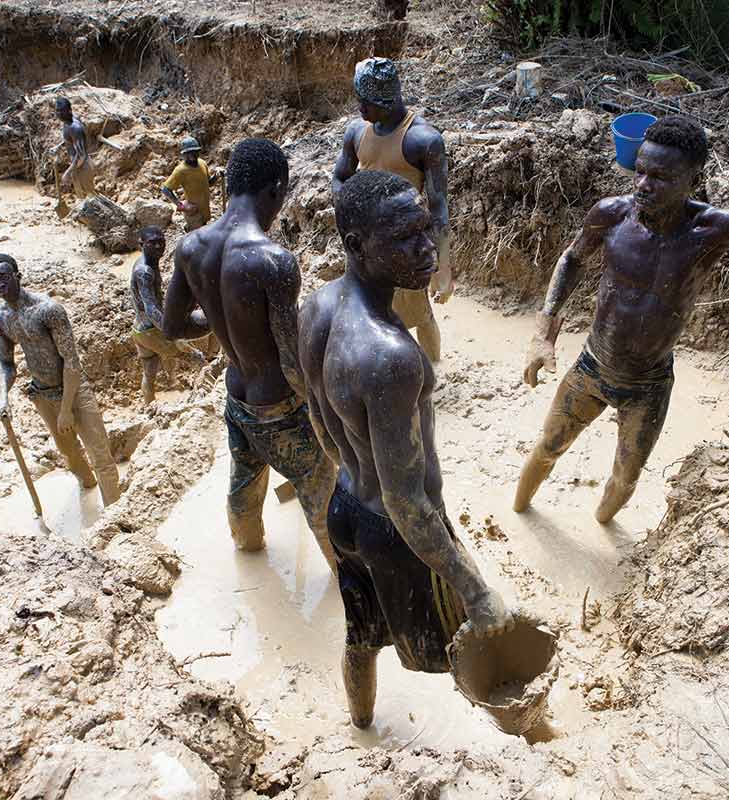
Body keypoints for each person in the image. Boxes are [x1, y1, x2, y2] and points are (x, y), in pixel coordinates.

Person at [515, 116, 729, 523]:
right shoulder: (612, 215)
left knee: (626, 478)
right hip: (591, 368)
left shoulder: (710, 230)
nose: (644, 185)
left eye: (662, 177)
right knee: (547, 447)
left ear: (692, 179)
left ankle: (602, 525)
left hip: (648, 386)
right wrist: (543, 333)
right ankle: (519, 514)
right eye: (641, 172)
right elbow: (572, 258)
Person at [298, 170, 511, 728]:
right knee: (478, 647)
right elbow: (408, 502)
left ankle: (361, 725)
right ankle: (530, 748)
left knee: (361, 635)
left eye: (425, 230)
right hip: (398, 534)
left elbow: (321, 421)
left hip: (343, 510)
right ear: (357, 245)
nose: (427, 250)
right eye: (404, 239)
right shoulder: (391, 357)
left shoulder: (317, 307)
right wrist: (476, 589)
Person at [162, 138, 337, 569]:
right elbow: (292, 362)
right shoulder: (272, 260)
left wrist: (228, 328)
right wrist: (326, 417)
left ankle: (249, 549)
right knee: (323, 494)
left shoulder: (190, 247)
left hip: (236, 394)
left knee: (244, 483)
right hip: (279, 406)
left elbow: (170, 327)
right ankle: (347, 583)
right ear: (276, 190)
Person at [331, 57, 452, 361]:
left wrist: (443, 267)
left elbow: (438, 208)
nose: (360, 109)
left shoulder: (423, 140)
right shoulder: (357, 132)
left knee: (419, 314)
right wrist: (351, 211)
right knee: (369, 310)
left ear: (386, 100)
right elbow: (339, 178)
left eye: (366, 103)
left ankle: (434, 371)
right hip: (367, 245)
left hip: (405, 245)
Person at [0, 254, 121, 506]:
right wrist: (3, 396)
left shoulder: (48, 310)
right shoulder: (1, 320)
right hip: (43, 394)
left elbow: (71, 361)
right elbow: (6, 363)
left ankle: (115, 514)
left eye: (3, 278)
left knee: (99, 454)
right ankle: (87, 488)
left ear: (18, 276)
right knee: (69, 453)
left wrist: (67, 409)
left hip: (74, 391)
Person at [130, 225, 202, 404]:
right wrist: (172, 334)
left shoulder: (145, 263)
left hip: (140, 329)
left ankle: (148, 408)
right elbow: (151, 309)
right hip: (151, 331)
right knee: (196, 358)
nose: (158, 246)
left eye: (161, 242)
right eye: (152, 243)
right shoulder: (145, 272)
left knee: (149, 372)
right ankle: (200, 403)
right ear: (141, 244)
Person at [161, 137, 213, 232]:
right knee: (198, 237)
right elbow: (166, 189)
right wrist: (181, 206)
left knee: (204, 229)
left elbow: (208, 182)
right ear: (184, 154)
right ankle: (190, 230)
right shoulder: (181, 170)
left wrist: (217, 177)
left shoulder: (202, 164)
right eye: (188, 153)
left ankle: (188, 229)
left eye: (194, 152)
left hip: (205, 209)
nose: (192, 155)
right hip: (194, 211)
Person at [54, 98, 95, 198]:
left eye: (62, 111)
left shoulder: (75, 127)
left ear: (69, 111)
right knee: (82, 197)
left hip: (83, 165)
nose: (59, 114)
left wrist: (68, 172)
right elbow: (71, 140)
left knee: (89, 199)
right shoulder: (67, 122)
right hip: (77, 165)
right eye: (57, 110)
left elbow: (82, 155)